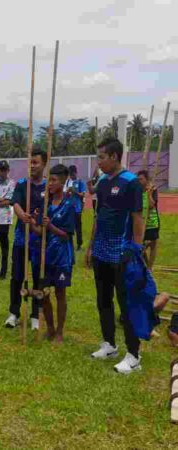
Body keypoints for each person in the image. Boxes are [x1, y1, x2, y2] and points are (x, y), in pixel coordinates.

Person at [86, 137, 145, 374]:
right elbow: (98, 217)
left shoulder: (131, 182)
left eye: (101, 157)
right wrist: (91, 246)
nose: (98, 162)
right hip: (101, 250)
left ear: (114, 156)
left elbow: (138, 218)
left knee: (126, 303)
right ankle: (109, 344)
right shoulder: (101, 182)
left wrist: (136, 249)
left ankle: (134, 355)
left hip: (122, 251)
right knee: (103, 299)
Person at [31, 164, 76, 343]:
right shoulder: (46, 204)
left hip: (62, 257)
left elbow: (67, 234)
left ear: (63, 181)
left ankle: (59, 331)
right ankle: (49, 328)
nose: (49, 183)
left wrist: (50, 226)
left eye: (53, 180)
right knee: (44, 293)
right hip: (46, 256)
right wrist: (32, 223)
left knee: (60, 294)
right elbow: (42, 232)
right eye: (48, 180)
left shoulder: (69, 205)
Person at [5, 149, 48, 330]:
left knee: (39, 278)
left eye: (36, 162)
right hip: (22, 240)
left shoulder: (47, 187)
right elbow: (15, 203)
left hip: (39, 242)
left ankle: (36, 314)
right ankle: (14, 313)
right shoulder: (23, 184)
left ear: (44, 164)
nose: (32, 165)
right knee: (16, 277)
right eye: (30, 162)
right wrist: (22, 215)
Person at [137, 170, 159, 269]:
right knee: (141, 245)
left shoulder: (153, 189)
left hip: (152, 221)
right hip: (141, 222)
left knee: (153, 244)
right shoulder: (137, 191)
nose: (139, 181)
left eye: (141, 179)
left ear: (146, 180)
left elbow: (151, 205)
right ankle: (145, 265)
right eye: (138, 179)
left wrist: (149, 194)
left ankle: (149, 268)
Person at [65, 165, 87, 251]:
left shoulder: (80, 182)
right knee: (68, 227)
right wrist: (67, 192)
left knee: (78, 227)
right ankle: (69, 244)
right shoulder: (67, 182)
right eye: (70, 174)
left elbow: (83, 195)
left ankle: (79, 244)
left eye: (72, 174)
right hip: (69, 208)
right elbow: (65, 195)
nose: (71, 176)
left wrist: (75, 192)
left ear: (75, 173)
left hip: (77, 208)